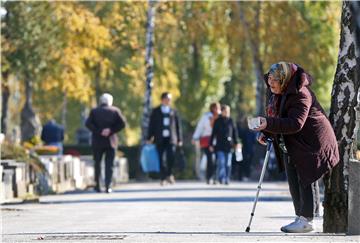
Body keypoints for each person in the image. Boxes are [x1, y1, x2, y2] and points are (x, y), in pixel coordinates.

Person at [251, 62, 339, 233]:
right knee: (294, 180)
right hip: (293, 142)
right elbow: (277, 115)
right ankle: (301, 217)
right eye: (269, 81)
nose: (271, 86)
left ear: (284, 80)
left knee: (306, 177)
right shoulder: (278, 91)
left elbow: (295, 123)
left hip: (312, 141)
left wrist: (267, 123)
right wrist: (267, 133)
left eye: (274, 82)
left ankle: (307, 219)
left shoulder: (301, 94)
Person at [86, 93, 126, 193]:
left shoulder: (94, 111)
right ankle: (108, 186)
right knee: (110, 164)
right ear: (110, 102)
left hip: (97, 141)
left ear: (101, 101)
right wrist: (111, 130)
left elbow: (88, 124)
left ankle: (98, 186)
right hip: (111, 141)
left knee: (97, 163)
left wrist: (99, 131)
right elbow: (122, 124)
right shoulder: (115, 111)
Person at [147, 92, 183, 186]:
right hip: (159, 138)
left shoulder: (173, 111)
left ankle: (169, 174)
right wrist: (149, 137)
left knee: (171, 157)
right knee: (161, 158)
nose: (169, 101)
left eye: (170, 99)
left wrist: (179, 139)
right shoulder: (156, 111)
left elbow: (178, 126)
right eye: (167, 99)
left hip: (171, 138)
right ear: (162, 99)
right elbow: (151, 125)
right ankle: (163, 177)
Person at [209, 105, 240, 185]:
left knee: (228, 164)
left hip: (229, 146)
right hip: (219, 146)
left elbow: (235, 133)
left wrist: (237, 143)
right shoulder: (217, 121)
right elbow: (213, 134)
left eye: (228, 111)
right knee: (221, 162)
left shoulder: (231, 121)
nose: (227, 113)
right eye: (225, 111)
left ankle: (227, 178)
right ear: (222, 112)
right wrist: (211, 144)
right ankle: (221, 178)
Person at [192, 102, 221, 184]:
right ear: (212, 108)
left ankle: (216, 177)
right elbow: (200, 127)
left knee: (216, 160)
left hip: (218, 141)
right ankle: (209, 177)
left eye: (218, 107)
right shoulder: (206, 117)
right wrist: (195, 137)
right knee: (210, 159)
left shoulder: (220, 117)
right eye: (215, 107)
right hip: (207, 140)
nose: (217, 109)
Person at [236, 117, 256, 181]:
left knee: (246, 163)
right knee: (243, 163)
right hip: (243, 149)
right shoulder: (243, 130)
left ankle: (245, 176)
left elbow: (254, 141)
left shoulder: (251, 131)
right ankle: (243, 176)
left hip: (248, 149)